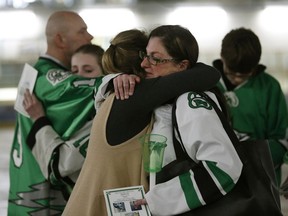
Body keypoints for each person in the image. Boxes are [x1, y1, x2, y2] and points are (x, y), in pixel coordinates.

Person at [62, 26, 242, 216]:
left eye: (155, 58)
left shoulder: (125, 95)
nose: (145, 64)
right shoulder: (133, 96)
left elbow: (223, 166)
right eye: (145, 56)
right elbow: (208, 73)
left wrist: (157, 200)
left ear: (182, 66)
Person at [8, 10, 101, 215]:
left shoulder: (34, 73)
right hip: (41, 197)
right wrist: (125, 76)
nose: (90, 37)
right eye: (82, 31)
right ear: (60, 39)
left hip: (27, 188)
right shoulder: (46, 76)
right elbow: (91, 88)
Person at [212, 27, 288, 186]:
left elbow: (281, 139)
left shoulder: (269, 87)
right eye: (231, 73)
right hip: (217, 176)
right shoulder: (207, 83)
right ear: (222, 58)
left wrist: (255, 162)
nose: (237, 79)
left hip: (260, 178)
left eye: (245, 75)